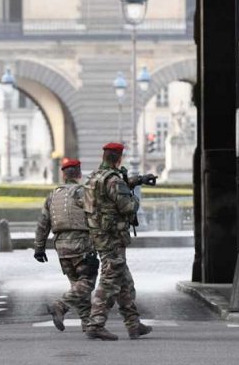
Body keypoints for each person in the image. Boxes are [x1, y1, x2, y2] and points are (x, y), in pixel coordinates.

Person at [82, 142, 152, 341]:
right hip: (112, 237)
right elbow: (128, 207)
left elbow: (109, 191)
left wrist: (137, 180)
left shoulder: (93, 178)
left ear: (104, 157)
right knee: (110, 280)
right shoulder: (113, 180)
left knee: (125, 283)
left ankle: (133, 324)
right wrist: (134, 197)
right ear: (119, 159)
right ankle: (96, 324)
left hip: (99, 235)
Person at [34, 157, 98, 332]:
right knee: (87, 282)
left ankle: (87, 323)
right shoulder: (83, 192)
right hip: (81, 244)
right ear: (79, 174)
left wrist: (39, 247)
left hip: (61, 247)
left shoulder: (53, 195)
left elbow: (43, 223)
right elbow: (95, 216)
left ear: (63, 176)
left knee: (76, 285)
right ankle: (61, 305)